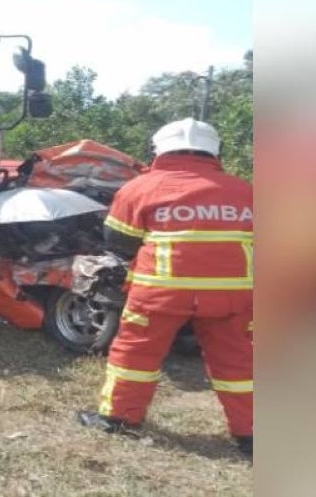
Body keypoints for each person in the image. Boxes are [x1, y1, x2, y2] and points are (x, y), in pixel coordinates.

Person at [76, 118, 254, 456]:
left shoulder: (139, 188)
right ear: (216, 151)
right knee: (239, 360)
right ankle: (251, 433)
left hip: (160, 292)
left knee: (136, 354)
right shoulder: (245, 190)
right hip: (231, 294)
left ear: (157, 150)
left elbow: (120, 241)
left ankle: (119, 418)